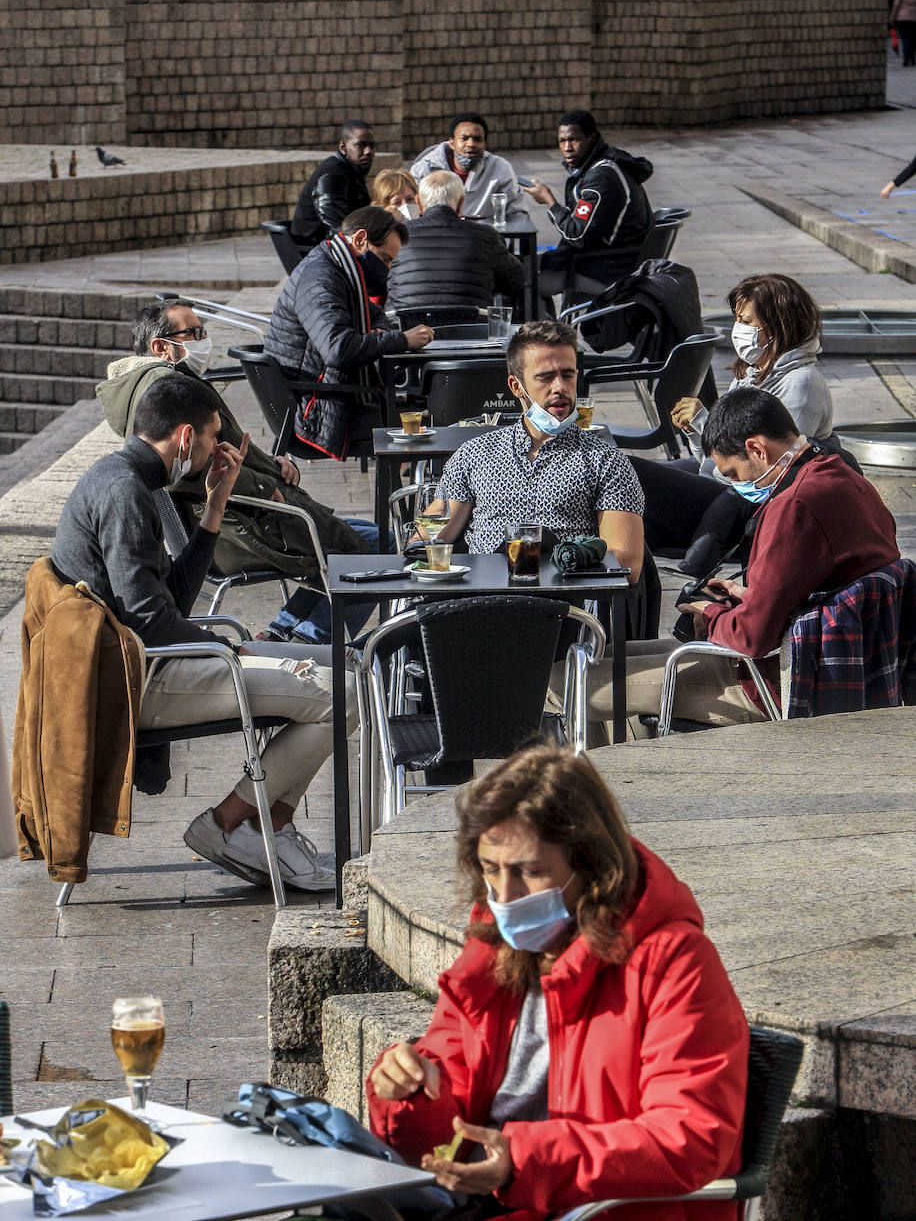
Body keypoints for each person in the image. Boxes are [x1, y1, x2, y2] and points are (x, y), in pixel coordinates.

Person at [367, 746, 749, 1221]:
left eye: (531, 872)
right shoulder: (492, 945)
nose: (504, 897)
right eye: (490, 869)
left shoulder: (673, 962)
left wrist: (525, 1161)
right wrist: (405, 1091)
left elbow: (691, 1136)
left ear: (589, 865)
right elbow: (446, 1104)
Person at [51, 374, 358, 889]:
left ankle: (269, 829)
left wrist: (214, 506)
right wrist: (226, 648)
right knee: (344, 695)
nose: (220, 447)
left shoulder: (123, 477)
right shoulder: (126, 494)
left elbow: (166, 600)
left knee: (336, 668)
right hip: (138, 681)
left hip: (142, 664)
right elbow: (149, 619)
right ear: (187, 437)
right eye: (216, 436)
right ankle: (226, 824)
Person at [568, 389, 901, 736]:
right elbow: (815, 586)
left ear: (757, 449)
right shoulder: (843, 477)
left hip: (772, 680)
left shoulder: (794, 507)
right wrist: (742, 596)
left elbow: (750, 638)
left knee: (571, 681)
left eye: (734, 474)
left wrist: (710, 614)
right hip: (821, 660)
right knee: (604, 658)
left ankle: (594, 784)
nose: (736, 485)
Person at [96, 299, 381, 645]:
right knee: (376, 551)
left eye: (204, 330)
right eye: (194, 333)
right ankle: (310, 640)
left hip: (217, 522)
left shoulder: (151, 386)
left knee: (363, 534)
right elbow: (203, 465)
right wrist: (265, 487)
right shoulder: (168, 390)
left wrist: (273, 466)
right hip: (234, 526)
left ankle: (283, 631)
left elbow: (227, 450)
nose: (204, 340)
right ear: (161, 347)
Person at [632, 272, 844, 576]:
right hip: (725, 479)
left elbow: (777, 471)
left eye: (747, 322)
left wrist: (707, 427)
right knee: (633, 484)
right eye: (738, 320)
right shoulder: (755, 373)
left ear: (778, 326)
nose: (739, 330)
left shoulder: (801, 385)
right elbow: (720, 453)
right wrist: (699, 429)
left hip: (746, 504)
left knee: (631, 472)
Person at [429, 319, 645, 583]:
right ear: (516, 386)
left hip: (566, 609)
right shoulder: (475, 454)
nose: (560, 387)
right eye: (545, 377)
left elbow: (626, 564)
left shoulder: (606, 461)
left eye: (568, 375)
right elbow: (428, 542)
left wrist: (565, 556)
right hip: (481, 602)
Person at [264, 206, 434, 460]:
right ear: (360, 239)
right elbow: (337, 349)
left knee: (423, 415)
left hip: (322, 395)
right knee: (428, 424)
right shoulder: (321, 276)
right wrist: (401, 339)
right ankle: (405, 495)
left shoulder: (337, 266)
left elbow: (374, 314)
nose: (386, 268)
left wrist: (381, 334)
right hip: (314, 408)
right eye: (385, 258)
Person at [525, 108, 653, 305]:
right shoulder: (606, 164)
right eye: (562, 141)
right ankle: (549, 332)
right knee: (525, 266)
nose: (567, 147)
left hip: (608, 270)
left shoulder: (600, 178)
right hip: (611, 260)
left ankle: (547, 335)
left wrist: (549, 201)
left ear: (591, 137)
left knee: (521, 281)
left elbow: (577, 235)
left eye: (573, 140)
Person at [385, 171, 526, 317]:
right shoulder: (485, 236)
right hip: (471, 331)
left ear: (419, 203)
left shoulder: (396, 235)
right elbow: (517, 281)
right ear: (460, 203)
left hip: (407, 330)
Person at [411, 113, 525, 220]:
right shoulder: (425, 169)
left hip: (483, 238)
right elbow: (410, 213)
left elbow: (516, 214)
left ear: (485, 144)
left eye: (477, 139)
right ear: (452, 143)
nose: (471, 144)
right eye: (464, 138)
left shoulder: (500, 169)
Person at [290, 120, 375, 248]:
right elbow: (335, 228)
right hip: (317, 252)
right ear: (343, 147)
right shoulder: (331, 176)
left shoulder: (353, 171)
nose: (368, 151)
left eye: (371, 146)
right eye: (361, 145)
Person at [889, 0, 916, 67]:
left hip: (902, 19)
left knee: (905, 39)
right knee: (913, 39)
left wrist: (891, 19)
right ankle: (912, 59)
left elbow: (896, 6)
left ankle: (905, 60)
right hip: (914, 19)